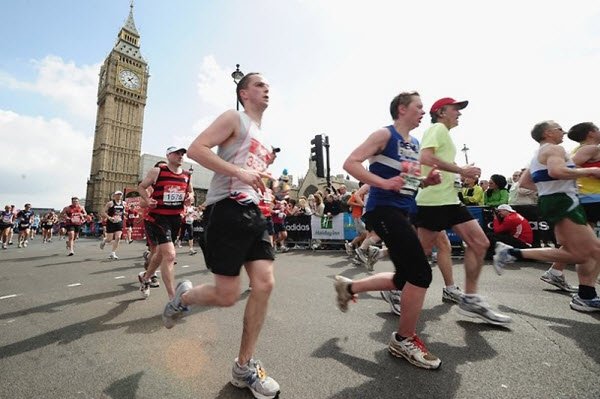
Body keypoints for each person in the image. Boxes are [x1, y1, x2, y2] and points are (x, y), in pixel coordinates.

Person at [162, 72, 280, 399]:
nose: (266, 88)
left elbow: (253, 173)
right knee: (228, 295)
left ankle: (244, 367)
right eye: (258, 84)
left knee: (265, 283)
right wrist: (239, 172)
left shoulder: (266, 141)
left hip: (253, 211)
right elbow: (198, 150)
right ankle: (181, 298)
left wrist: (263, 184)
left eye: (268, 85)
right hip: (225, 209)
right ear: (243, 93)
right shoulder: (234, 118)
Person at [335, 91, 442, 370]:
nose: (423, 111)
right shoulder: (384, 135)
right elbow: (350, 163)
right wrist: (382, 184)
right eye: (419, 107)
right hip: (382, 210)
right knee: (421, 272)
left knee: (405, 276)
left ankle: (349, 286)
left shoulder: (415, 143)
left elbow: (408, 181)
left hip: (403, 211)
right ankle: (404, 339)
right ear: (402, 109)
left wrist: (427, 180)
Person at [415, 97, 511, 325]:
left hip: (449, 198)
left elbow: (434, 162)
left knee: (479, 242)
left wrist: (458, 176)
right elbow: (425, 157)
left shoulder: (445, 134)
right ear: (440, 112)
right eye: (455, 109)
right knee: (420, 254)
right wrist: (461, 169)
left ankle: (469, 299)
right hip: (433, 201)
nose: (459, 113)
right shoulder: (437, 128)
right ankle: (396, 286)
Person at [494, 120, 600, 312]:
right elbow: (556, 171)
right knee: (585, 253)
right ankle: (510, 253)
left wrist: (548, 189)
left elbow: (525, 182)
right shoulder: (554, 150)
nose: (563, 132)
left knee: (589, 251)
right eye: (559, 129)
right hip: (563, 202)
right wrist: (591, 171)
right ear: (548, 133)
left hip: (556, 201)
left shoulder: (539, 154)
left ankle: (586, 295)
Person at [137, 147, 194, 299]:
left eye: (182, 154)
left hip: (176, 218)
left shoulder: (187, 174)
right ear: (168, 155)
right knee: (169, 255)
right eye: (177, 153)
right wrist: (148, 200)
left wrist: (190, 198)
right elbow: (141, 187)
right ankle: (173, 297)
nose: (181, 156)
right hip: (159, 217)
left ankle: (146, 277)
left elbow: (191, 193)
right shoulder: (157, 171)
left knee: (161, 255)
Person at [99, 191, 126, 260]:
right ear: (114, 195)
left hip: (119, 222)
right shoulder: (110, 203)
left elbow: (123, 211)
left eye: (120, 194)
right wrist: (109, 218)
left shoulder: (124, 203)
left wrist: (125, 214)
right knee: (109, 239)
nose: (119, 196)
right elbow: (103, 212)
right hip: (111, 222)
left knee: (118, 237)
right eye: (118, 194)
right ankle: (104, 241)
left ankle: (113, 253)